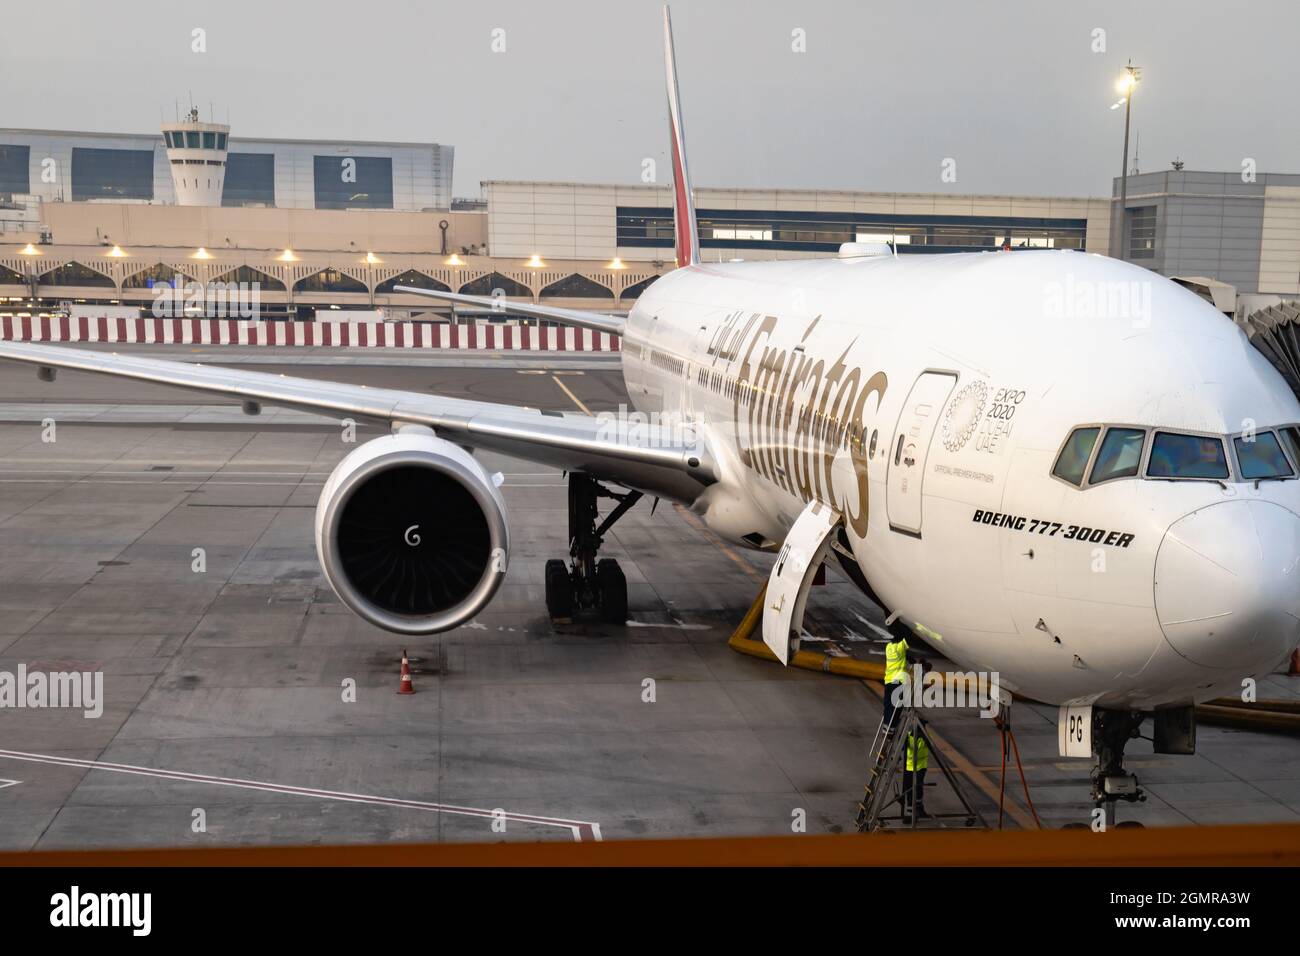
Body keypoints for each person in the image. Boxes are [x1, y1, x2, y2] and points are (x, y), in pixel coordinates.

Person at [882, 631, 911, 733]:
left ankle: (886, 724)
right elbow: (908, 639)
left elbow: (901, 655)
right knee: (897, 705)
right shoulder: (900, 646)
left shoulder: (888, 647)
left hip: (888, 680)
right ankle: (892, 726)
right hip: (897, 680)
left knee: (888, 703)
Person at [902, 727, 930, 821]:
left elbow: (929, 745)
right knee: (909, 789)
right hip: (909, 767)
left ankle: (918, 809)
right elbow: (901, 747)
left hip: (920, 767)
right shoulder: (908, 735)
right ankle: (910, 812)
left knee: (918, 788)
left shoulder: (925, 736)